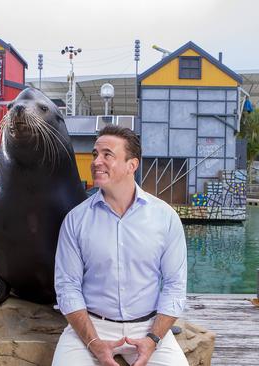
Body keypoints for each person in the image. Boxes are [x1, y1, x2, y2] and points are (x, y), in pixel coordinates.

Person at [53, 125, 188, 366]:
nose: (96, 161)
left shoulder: (165, 218)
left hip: (148, 327)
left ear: (131, 165)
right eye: (95, 154)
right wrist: (93, 342)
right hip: (92, 326)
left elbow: (174, 285)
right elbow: (67, 287)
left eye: (107, 155)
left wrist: (153, 338)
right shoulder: (76, 220)